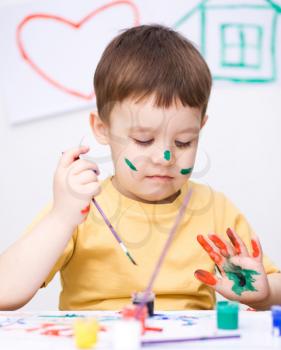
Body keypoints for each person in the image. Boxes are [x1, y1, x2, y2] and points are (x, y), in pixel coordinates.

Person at [0, 25, 280, 311]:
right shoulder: (79, 207)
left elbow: (271, 285)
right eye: (143, 140)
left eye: (184, 142)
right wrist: (61, 218)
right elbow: (5, 293)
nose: (164, 157)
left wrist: (264, 293)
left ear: (200, 129)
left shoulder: (214, 209)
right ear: (102, 128)